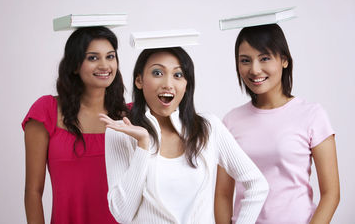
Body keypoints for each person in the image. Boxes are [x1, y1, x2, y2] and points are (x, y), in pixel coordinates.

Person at [99, 47, 269, 224]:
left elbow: (257, 185)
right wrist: (143, 145)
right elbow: (122, 214)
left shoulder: (208, 127)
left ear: (187, 83)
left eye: (178, 75)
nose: (168, 84)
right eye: (157, 73)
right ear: (139, 80)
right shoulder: (120, 132)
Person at [215, 24, 340, 224]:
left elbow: (331, 193)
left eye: (264, 58)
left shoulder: (312, 115)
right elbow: (222, 194)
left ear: (284, 60)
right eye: (245, 60)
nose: (254, 69)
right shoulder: (230, 121)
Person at [22, 26, 127, 224]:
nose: (105, 65)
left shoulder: (130, 116)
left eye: (110, 56)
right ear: (74, 65)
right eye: (93, 58)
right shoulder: (47, 111)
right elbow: (33, 191)